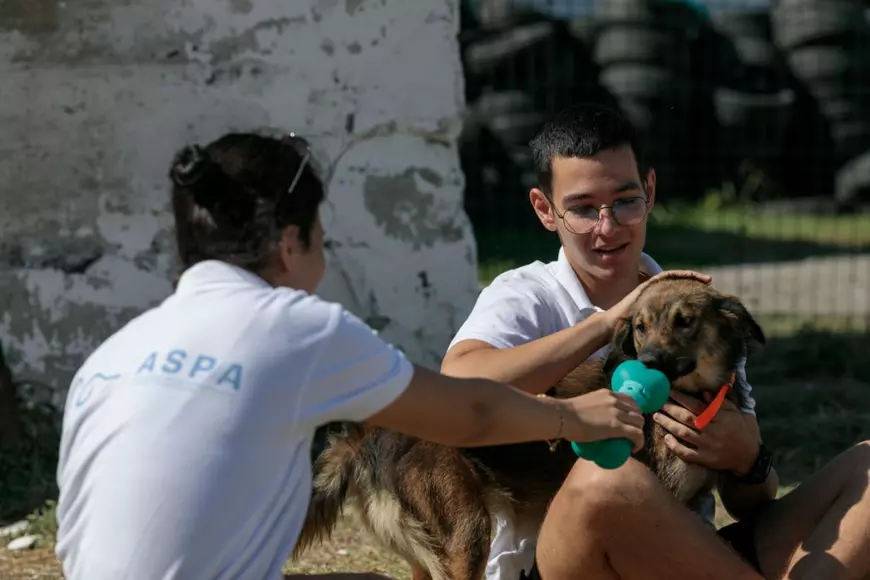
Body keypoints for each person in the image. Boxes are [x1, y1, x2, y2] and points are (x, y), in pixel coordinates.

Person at [52, 130, 701, 580]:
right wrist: (572, 419)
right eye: (322, 235)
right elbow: (466, 411)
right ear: (290, 242)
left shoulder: (110, 354)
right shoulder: (297, 327)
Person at [441, 103, 870, 580]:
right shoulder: (527, 295)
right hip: (566, 563)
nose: (607, 227)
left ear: (649, 191)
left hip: (689, 557)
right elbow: (458, 383)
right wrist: (607, 325)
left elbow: (751, 503)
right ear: (546, 209)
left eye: (624, 201)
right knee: (606, 480)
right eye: (583, 209)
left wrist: (748, 459)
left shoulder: (694, 316)